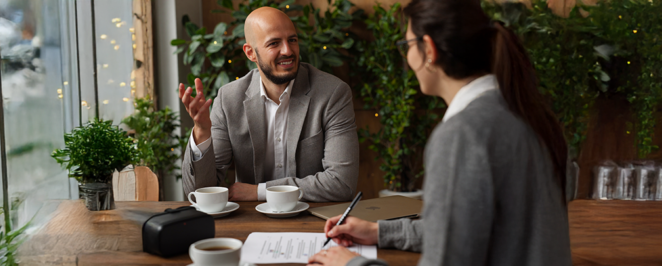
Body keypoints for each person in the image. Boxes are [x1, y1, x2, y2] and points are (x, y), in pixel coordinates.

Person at [307, 0, 572, 265]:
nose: (408, 57)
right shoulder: (526, 113)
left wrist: (351, 263)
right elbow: (470, 227)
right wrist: (380, 232)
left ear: (429, 49)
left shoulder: (463, 135)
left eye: (407, 46)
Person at [180, 7, 359, 202]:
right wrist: (201, 132)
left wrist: (259, 192)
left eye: (292, 40)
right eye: (274, 43)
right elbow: (199, 193)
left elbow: (342, 184)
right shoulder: (228, 99)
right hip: (251, 221)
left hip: (312, 218)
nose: (288, 51)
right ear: (251, 53)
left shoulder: (333, 93)